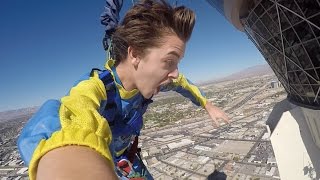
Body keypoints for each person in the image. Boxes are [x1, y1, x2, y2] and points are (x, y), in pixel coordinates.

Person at [17, 0, 229, 179]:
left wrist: (208, 105)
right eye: (170, 61)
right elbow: (61, 124)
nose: (174, 73)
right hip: (108, 162)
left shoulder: (151, 79)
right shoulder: (95, 90)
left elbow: (182, 83)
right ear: (135, 54)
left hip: (130, 159)